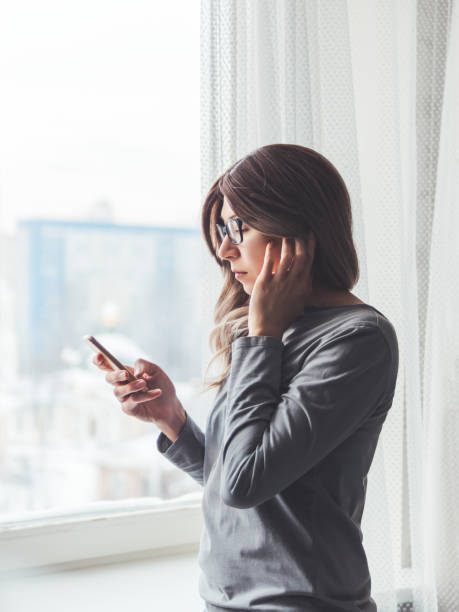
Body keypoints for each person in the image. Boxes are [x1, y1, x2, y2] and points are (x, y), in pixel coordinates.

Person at [93, 144, 399, 612]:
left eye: (238, 226)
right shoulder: (270, 328)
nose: (223, 248)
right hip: (223, 601)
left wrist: (263, 334)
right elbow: (243, 487)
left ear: (297, 229)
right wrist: (172, 418)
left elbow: (243, 483)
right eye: (220, 230)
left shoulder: (357, 340)